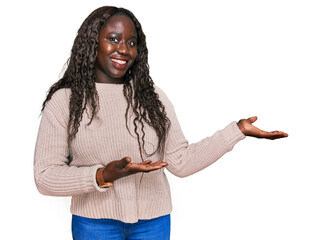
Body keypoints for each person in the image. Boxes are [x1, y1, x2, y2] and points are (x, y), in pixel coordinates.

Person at [33, 6, 288, 240]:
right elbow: (45, 176)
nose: (123, 49)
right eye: (113, 39)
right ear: (91, 43)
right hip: (94, 225)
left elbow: (179, 161)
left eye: (131, 42)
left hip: (153, 223)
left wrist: (237, 131)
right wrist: (103, 175)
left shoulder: (151, 96)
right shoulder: (65, 101)